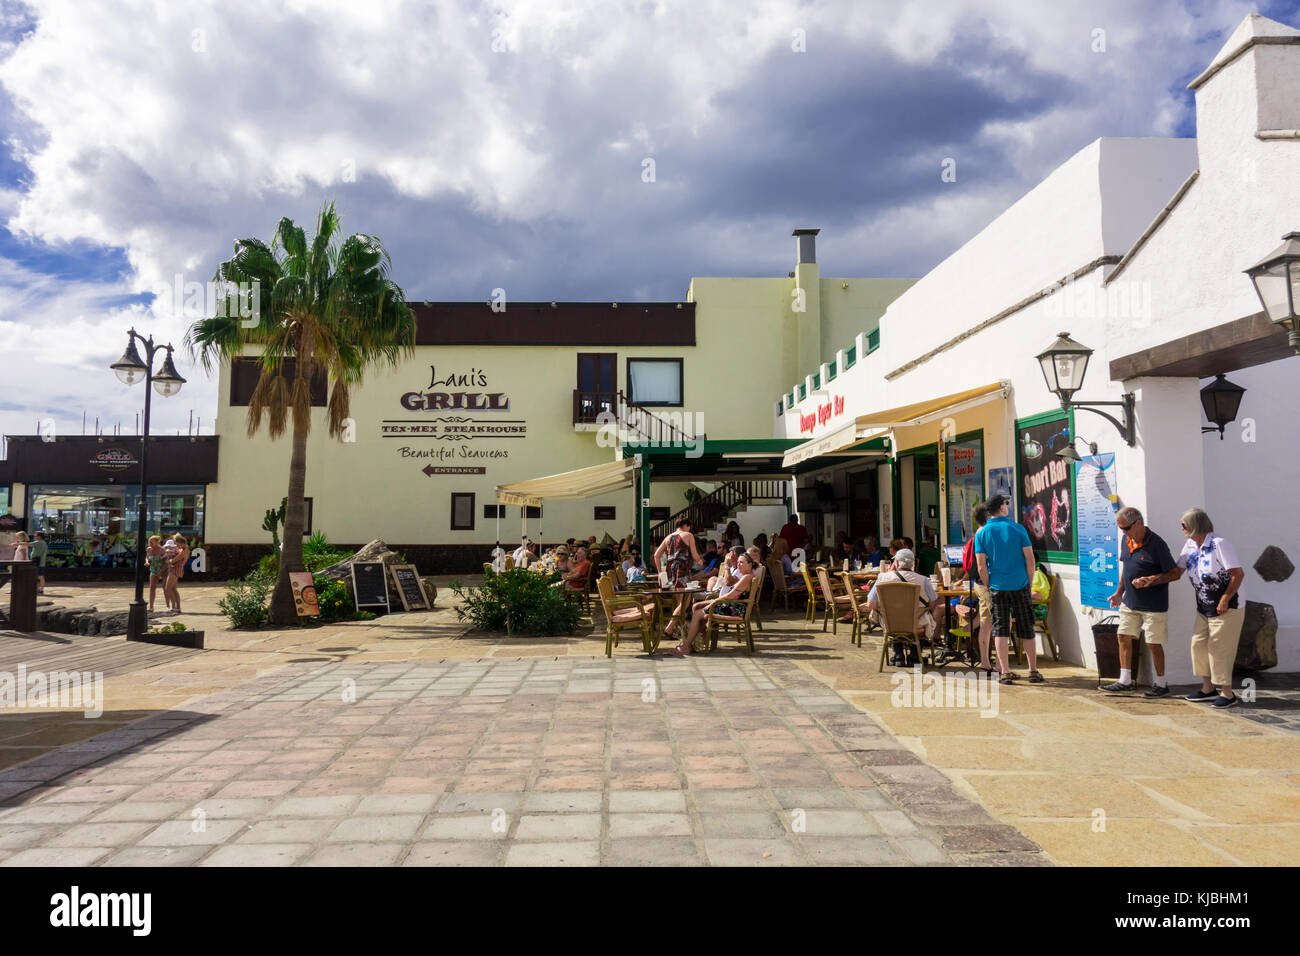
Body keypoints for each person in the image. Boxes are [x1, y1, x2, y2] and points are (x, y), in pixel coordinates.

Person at [1172, 508, 1245, 708]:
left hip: (1227, 606)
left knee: (1220, 649)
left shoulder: (1219, 544)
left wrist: (1224, 599)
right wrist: (1152, 577)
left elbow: (1237, 574)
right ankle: (1208, 688)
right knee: (1198, 644)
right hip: (1203, 606)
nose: (1181, 528)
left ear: (1195, 525)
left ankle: (1227, 693)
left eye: (1184, 525)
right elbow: (1177, 570)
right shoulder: (1190, 545)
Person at [1102, 507, 1177, 696]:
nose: (1123, 533)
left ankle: (1161, 684)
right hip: (1130, 601)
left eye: (1126, 528)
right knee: (1123, 637)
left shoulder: (1157, 544)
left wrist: (1151, 580)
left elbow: (1174, 573)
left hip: (1153, 604)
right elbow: (1126, 569)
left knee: (1154, 643)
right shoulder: (1125, 540)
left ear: (1138, 523)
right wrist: (1119, 592)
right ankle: (1125, 680)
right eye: (1120, 529)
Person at [974, 494, 1039, 684]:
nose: (1007, 506)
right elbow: (1030, 559)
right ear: (1001, 508)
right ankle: (1033, 670)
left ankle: (1005, 672)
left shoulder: (982, 533)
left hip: (997, 586)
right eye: (1006, 503)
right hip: (1020, 584)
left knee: (1000, 629)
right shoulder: (1018, 529)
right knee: (1027, 628)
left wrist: (988, 584)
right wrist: (1029, 581)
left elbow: (981, 566)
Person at [670, 553, 755, 657]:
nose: (738, 565)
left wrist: (714, 602)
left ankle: (686, 646)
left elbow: (730, 595)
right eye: (738, 562)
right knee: (696, 606)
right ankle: (700, 641)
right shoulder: (748, 576)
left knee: (697, 613)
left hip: (734, 610)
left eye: (742, 562)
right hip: (733, 606)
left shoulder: (746, 577)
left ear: (750, 564)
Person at [867, 549, 942, 666]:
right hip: (917, 622)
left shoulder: (882, 578)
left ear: (896, 563)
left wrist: (885, 610)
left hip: (890, 623)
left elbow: (870, 604)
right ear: (913, 564)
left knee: (892, 618)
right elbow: (932, 604)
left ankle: (898, 655)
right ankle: (914, 655)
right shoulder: (923, 580)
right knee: (926, 616)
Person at [952, 503, 994, 673]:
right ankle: (986, 662)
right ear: (988, 517)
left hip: (980, 583)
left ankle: (988, 660)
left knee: (987, 619)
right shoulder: (984, 534)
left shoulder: (979, 534)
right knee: (988, 620)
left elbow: (973, 567)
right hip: (985, 583)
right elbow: (980, 566)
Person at [654, 517, 704, 642]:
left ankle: (680, 629)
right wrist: (699, 561)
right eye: (689, 526)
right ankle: (670, 628)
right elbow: (694, 554)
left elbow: (656, 555)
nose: (690, 529)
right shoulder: (688, 535)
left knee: (680, 602)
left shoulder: (668, 537)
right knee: (685, 602)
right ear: (686, 525)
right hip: (682, 570)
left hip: (671, 571)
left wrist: (660, 573)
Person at [165, 533, 191, 614]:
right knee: (173, 589)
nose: (176, 545)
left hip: (175, 569)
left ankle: (173, 607)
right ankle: (178, 607)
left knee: (168, 588)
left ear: (181, 543)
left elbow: (174, 560)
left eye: (177, 543)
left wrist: (169, 561)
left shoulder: (184, 551)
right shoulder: (182, 549)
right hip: (177, 569)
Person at [146, 535, 168, 612]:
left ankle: (168, 606)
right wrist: (147, 562)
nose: (150, 543)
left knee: (165, 588)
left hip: (162, 569)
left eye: (152, 542)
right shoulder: (149, 549)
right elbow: (147, 558)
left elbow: (166, 562)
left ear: (157, 542)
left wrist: (161, 571)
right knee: (152, 588)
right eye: (149, 541)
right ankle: (151, 607)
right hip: (153, 569)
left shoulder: (162, 550)